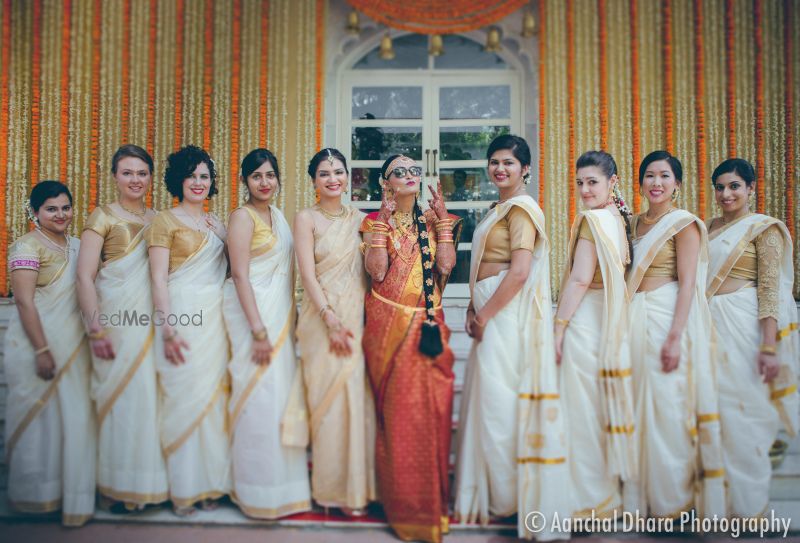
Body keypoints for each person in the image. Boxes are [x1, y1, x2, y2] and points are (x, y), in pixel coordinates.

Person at [454, 134, 569, 540]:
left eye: (508, 163)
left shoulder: (522, 210)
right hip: (489, 312)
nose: (500, 169)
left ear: (525, 170)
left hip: (504, 317)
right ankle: (495, 493)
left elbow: (519, 272)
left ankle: (508, 497)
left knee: (500, 405)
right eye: (494, 162)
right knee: (489, 401)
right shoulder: (499, 207)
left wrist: (485, 313)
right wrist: (472, 305)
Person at [360, 155, 460, 543]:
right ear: (386, 183)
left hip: (428, 328)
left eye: (414, 171)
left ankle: (431, 507)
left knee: (431, 414)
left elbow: (447, 267)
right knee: (399, 416)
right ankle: (400, 504)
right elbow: (377, 272)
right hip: (390, 328)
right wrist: (383, 223)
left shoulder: (432, 221)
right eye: (399, 172)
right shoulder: (371, 222)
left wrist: (445, 223)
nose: (409, 176)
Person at [624, 150, 725, 519]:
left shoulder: (683, 224)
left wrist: (674, 337)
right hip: (633, 318)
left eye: (664, 176)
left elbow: (688, 286)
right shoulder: (632, 224)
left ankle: (674, 501)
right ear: (640, 183)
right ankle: (641, 500)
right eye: (649, 176)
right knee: (636, 405)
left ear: (677, 184)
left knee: (667, 406)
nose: (656, 183)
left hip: (668, 315)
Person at [76, 144, 168, 512]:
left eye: (142, 173)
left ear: (150, 178)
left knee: (149, 401)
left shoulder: (160, 218)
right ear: (114, 176)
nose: (135, 179)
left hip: (155, 326)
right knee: (120, 402)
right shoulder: (102, 217)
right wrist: (95, 330)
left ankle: (146, 485)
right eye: (127, 172)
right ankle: (116, 487)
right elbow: (84, 277)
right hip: (115, 325)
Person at [706, 158, 799, 517]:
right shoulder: (708, 227)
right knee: (715, 412)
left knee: (745, 413)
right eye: (720, 186)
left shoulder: (764, 229)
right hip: (710, 325)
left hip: (745, 327)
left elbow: (771, 290)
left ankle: (749, 506)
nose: (726, 194)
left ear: (750, 189)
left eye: (734, 186)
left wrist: (768, 347)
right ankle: (718, 502)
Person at [223, 148, 311, 518]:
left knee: (278, 399)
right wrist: (258, 330)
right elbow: (240, 275)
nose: (264, 182)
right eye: (256, 176)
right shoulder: (241, 218)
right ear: (245, 181)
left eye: (270, 175)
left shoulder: (277, 216)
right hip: (253, 321)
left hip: (278, 319)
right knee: (257, 398)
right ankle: (254, 488)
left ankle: (282, 487)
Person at [4, 181, 95, 526]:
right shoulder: (26, 246)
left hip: (74, 348)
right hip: (35, 346)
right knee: (37, 425)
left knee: (70, 423)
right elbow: (25, 301)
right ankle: (32, 497)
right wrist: (42, 349)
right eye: (51, 209)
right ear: (36, 212)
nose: (61, 215)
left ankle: (66, 493)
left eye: (66, 207)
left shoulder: (79, 246)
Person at [146, 145, 231, 515]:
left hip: (215, 319)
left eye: (204, 176)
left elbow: (234, 272)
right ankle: (182, 488)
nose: (198, 183)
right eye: (191, 175)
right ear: (178, 179)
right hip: (179, 318)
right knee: (182, 399)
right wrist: (166, 330)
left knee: (214, 401)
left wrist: (227, 236)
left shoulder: (219, 225)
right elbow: (158, 280)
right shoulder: (164, 221)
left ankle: (211, 483)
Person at [553, 151, 636, 520]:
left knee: (582, 409)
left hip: (586, 319)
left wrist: (558, 327)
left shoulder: (593, 221)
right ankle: (606, 495)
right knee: (597, 407)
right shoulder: (619, 219)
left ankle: (589, 499)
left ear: (612, 182)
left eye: (593, 182)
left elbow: (580, 278)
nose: (585, 190)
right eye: (580, 183)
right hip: (610, 318)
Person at [293, 148, 375, 514]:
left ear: (349, 176)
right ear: (314, 180)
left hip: (355, 317)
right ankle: (328, 490)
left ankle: (354, 490)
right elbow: (307, 274)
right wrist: (329, 319)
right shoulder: (305, 218)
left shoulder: (361, 220)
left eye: (338, 172)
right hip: (320, 319)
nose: (332, 179)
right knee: (326, 404)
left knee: (353, 401)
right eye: (324, 173)